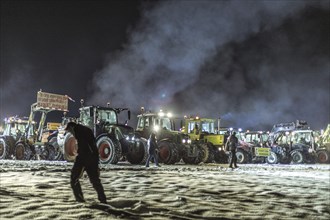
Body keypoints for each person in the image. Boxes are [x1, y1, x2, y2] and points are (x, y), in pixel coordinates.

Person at [65, 122, 107, 204]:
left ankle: (79, 199)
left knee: (73, 178)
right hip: (92, 158)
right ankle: (103, 199)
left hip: (84, 158)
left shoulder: (78, 131)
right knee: (95, 180)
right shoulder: (86, 130)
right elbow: (93, 146)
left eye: (70, 131)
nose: (71, 134)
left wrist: (80, 159)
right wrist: (96, 162)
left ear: (71, 127)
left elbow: (84, 147)